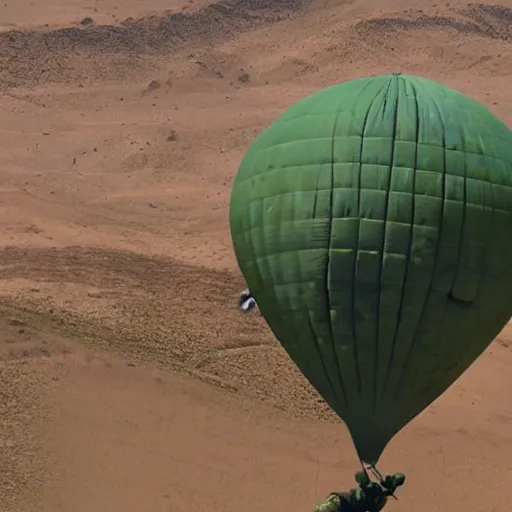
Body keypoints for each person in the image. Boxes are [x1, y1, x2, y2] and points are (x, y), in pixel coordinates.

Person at [313, 471, 405, 512]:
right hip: (339, 502)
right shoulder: (373, 487)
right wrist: (365, 478)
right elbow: (359, 476)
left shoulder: (380, 499)